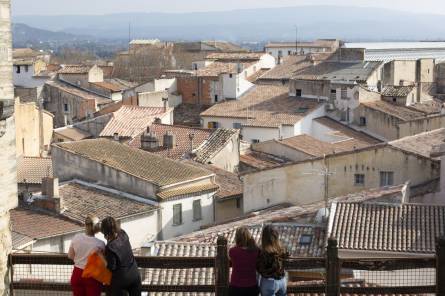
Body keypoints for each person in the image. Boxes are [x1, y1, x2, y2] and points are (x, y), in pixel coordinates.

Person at [101, 216, 141, 296]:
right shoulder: (123, 234)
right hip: (134, 273)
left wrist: (101, 256)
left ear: (105, 231)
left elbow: (111, 267)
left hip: (121, 279)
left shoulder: (110, 247)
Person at [68, 215, 105, 296]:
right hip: (92, 275)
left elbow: (70, 256)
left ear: (85, 225)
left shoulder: (76, 237)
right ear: (97, 227)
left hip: (77, 273)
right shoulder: (100, 243)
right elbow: (103, 262)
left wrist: (80, 259)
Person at [256, 225, 288, 296]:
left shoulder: (262, 252)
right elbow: (286, 264)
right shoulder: (282, 249)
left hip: (268, 282)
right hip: (282, 281)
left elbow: (260, 269)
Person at [228, 227, 260, 296]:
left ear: (237, 238)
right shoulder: (256, 251)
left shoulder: (233, 251)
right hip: (252, 286)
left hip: (236, 287)